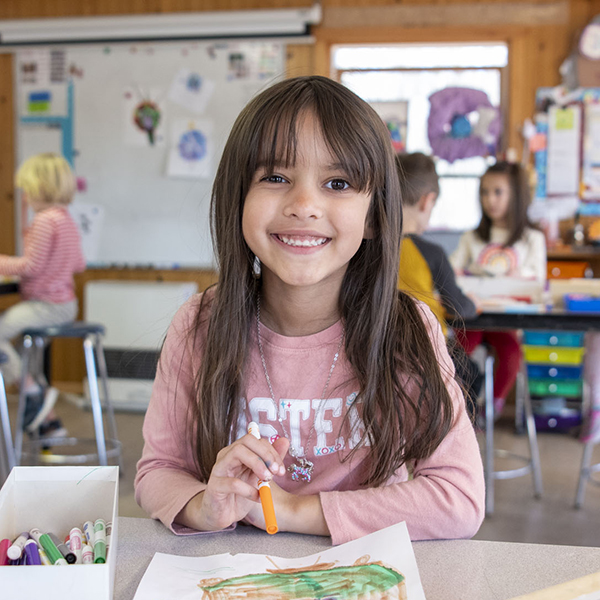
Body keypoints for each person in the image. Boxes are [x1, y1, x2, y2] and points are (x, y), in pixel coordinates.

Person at [135, 76, 485, 546]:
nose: (303, 205)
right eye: (275, 177)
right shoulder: (199, 325)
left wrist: (296, 510)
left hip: (366, 575)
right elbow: (158, 471)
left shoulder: (405, 330)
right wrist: (206, 504)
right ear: (237, 198)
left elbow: (459, 498)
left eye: (337, 183)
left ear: (376, 215)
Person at [0, 153, 86, 438]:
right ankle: (48, 422)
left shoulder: (44, 221)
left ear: (39, 188)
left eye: (27, 190)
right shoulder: (64, 219)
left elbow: (31, 266)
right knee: (28, 355)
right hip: (65, 304)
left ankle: (34, 390)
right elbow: (78, 264)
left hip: (45, 305)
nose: (24, 197)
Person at [450, 161, 546, 415]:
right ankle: (459, 406)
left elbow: (538, 278)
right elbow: (451, 270)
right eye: (484, 192)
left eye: (497, 192)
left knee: (512, 353)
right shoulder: (472, 237)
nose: (489, 199)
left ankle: (490, 408)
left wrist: (519, 275)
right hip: (472, 317)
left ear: (516, 194)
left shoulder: (532, 239)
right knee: (460, 352)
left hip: (508, 320)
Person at [396, 152, 482, 418]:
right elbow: (461, 308)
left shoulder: (372, 247)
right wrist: (471, 303)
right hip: (430, 352)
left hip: (383, 348)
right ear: (427, 201)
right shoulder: (431, 253)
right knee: (472, 375)